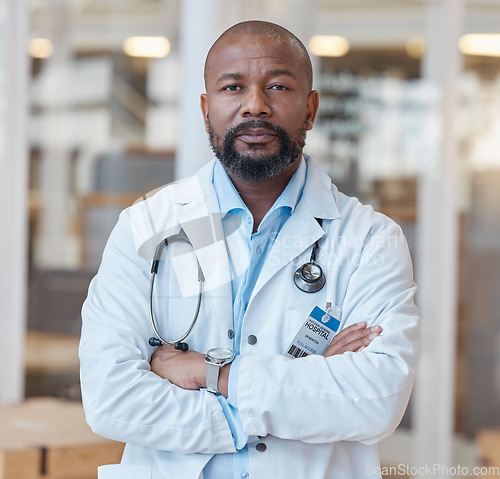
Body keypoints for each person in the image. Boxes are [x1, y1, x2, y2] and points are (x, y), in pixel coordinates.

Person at [79, 20, 419, 479]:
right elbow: (110, 399)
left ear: (311, 108)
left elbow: (375, 399)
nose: (255, 105)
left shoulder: (369, 240)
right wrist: (287, 398)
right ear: (205, 109)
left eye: (278, 86)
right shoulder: (147, 227)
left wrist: (208, 372)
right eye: (233, 87)